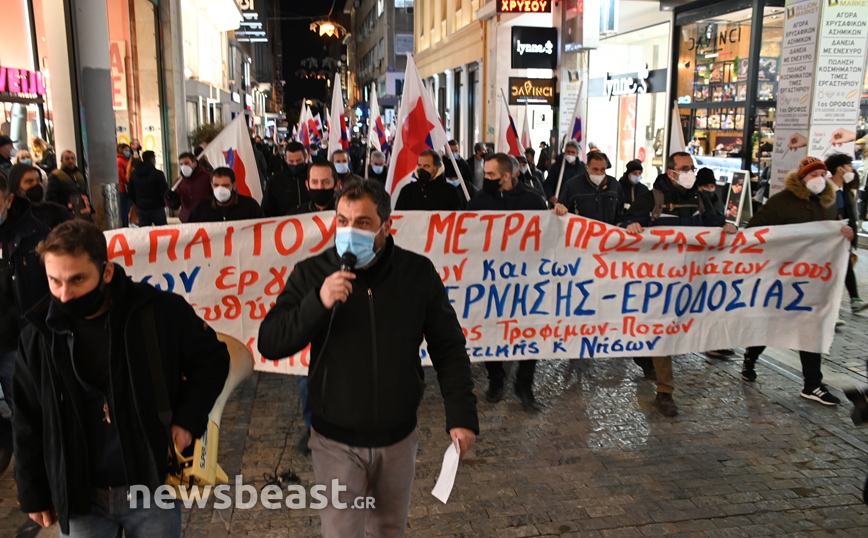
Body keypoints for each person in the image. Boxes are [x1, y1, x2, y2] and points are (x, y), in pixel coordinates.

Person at [258, 178, 478, 537]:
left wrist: (462, 415)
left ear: (386, 227)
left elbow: (448, 346)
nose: (349, 231)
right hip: (335, 442)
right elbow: (271, 341)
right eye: (342, 221)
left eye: (362, 223)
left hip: (398, 439)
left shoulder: (417, 273)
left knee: (389, 530)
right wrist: (318, 302)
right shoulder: (312, 272)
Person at [13, 219, 229, 536]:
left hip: (151, 484)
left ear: (107, 271)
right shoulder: (38, 335)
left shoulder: (159, 312)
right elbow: (27, 416)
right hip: (80, 492)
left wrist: (187, 419)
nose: (65, 294)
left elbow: (212, 360)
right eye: (54, 281)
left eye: (77, 279)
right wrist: (33, 492)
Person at [623, 152, 735, 417]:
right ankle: (665, 391)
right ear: (671, 172)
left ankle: (648, 360)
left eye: (692, 168)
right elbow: (624, 224)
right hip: (658, 282)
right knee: (662, 332)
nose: (690, 172)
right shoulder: (652, 199)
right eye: (685, 168)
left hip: (691, 280)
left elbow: (714, 225)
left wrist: (726, 226)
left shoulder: (701, 199)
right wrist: (632, 225)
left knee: (675, 332)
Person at [740, 157, 855, 405]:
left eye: (822, 175)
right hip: (780, 277)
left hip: (813, 279)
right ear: (802, 178)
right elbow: (754, 230)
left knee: (811, 327)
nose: (819, 180)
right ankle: (751, 356)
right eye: (813, 175)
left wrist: (844, 234)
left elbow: (834, 230)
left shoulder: (830, 203)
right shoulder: (781, 202)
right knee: (772, 323)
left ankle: (812, 384)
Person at [467, 153, 546, 412]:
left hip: (527, 279)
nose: (485, 178)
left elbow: (548, 236)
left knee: (529, 331)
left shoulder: (533, 201)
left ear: (507, 176)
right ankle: (496, 379)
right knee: (491, 328)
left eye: (490, 174)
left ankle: (524, 385)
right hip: (490, 279)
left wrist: (558, 215)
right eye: (485, 173)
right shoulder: (478, 202)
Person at [0, 170, 51, 476]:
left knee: (27, 411)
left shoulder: (35, 235)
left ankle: (35, 475)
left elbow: (50, 290)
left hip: (17, 344)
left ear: (8, 200)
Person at [826, 153, 867, 314]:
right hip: (829, 237)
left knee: (846, 266)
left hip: (843, 237)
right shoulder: (825, 191)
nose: (853, 169)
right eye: (850, 165)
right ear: (840, 169)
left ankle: (854, 299)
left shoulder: (847, 192)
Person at [552, 150, 622, 223]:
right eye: (595, 169)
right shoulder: (572, 186)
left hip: (609, 233)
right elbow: (561, 211)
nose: (599, 173)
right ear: (587, 168)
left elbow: (621, 213)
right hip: (580, 233)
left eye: (603, 169)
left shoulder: (614, 185)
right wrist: (560, 209)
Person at [7, 164, 72, 229]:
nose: (37, 184)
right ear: (17, 188)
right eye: (30, 181)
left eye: (38, 180)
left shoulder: (55, 211)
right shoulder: (8, 217)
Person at [189, 167, 264, 223]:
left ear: (234, 185)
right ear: (211, 185)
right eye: (216, 185)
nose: (220, 190)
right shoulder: (201, 208)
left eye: (225, 186)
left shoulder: (250, 206)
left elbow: (263, 227)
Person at [395, 150, 463, 211]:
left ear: (437, 168)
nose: (422, 169)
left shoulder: (451, 192)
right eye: (420, 165)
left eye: (426, 166)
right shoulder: (407, 191)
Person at [262, 141, 309, 217]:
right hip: (285, 225)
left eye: (299, 160)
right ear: (285, 158)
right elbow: (267, 210)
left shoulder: (314, 177)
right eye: (291, 161)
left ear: (305, 157)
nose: (295, 164)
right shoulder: (275, 181)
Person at [167, 152, 213, 223]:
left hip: (206, 219)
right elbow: (174, 205)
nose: (183, 167)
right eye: (181, 164)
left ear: (195, 164)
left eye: (186, 163)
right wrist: (168, 198)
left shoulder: (208, 177)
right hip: (187, 220)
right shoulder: (179, 182)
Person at [127, 151, 169, 226]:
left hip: (141, 207)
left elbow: (130, 191)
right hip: (157, 207)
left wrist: (137, 202)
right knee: (162, 231)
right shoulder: (158, 174)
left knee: (145, 232)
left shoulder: (134, 174)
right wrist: (162, 203)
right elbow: (164, 191)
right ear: (152, 159)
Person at [47, 151, 91, 220]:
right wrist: (64, 207)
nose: (71, 161)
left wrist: (91, 210)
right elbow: (50, 197)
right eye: (67, 159)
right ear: (62, 161)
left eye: (72, 158)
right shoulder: (56, 175)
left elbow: (85, 193)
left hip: (83, 212)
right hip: (66, 215)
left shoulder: (79, 174)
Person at [544, 141, 587, 205]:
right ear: (564, 152)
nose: (570, 154)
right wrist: (550, 196)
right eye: (568, 152)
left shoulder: (583, 167)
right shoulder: (557, 167)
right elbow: (548, 184)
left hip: (578, 204)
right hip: (560, 203)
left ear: (577, 153)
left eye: (573, 152)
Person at [117, 143, 132, 227]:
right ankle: (125, 227)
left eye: (128, 150)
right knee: (124, 212)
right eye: (126, 150)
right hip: (123, 189)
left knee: (126, 211)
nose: (128, 152)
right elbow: (122, 175)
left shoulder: (124, 160)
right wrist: (129, 179)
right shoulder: (120, 160)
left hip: (124, 189)